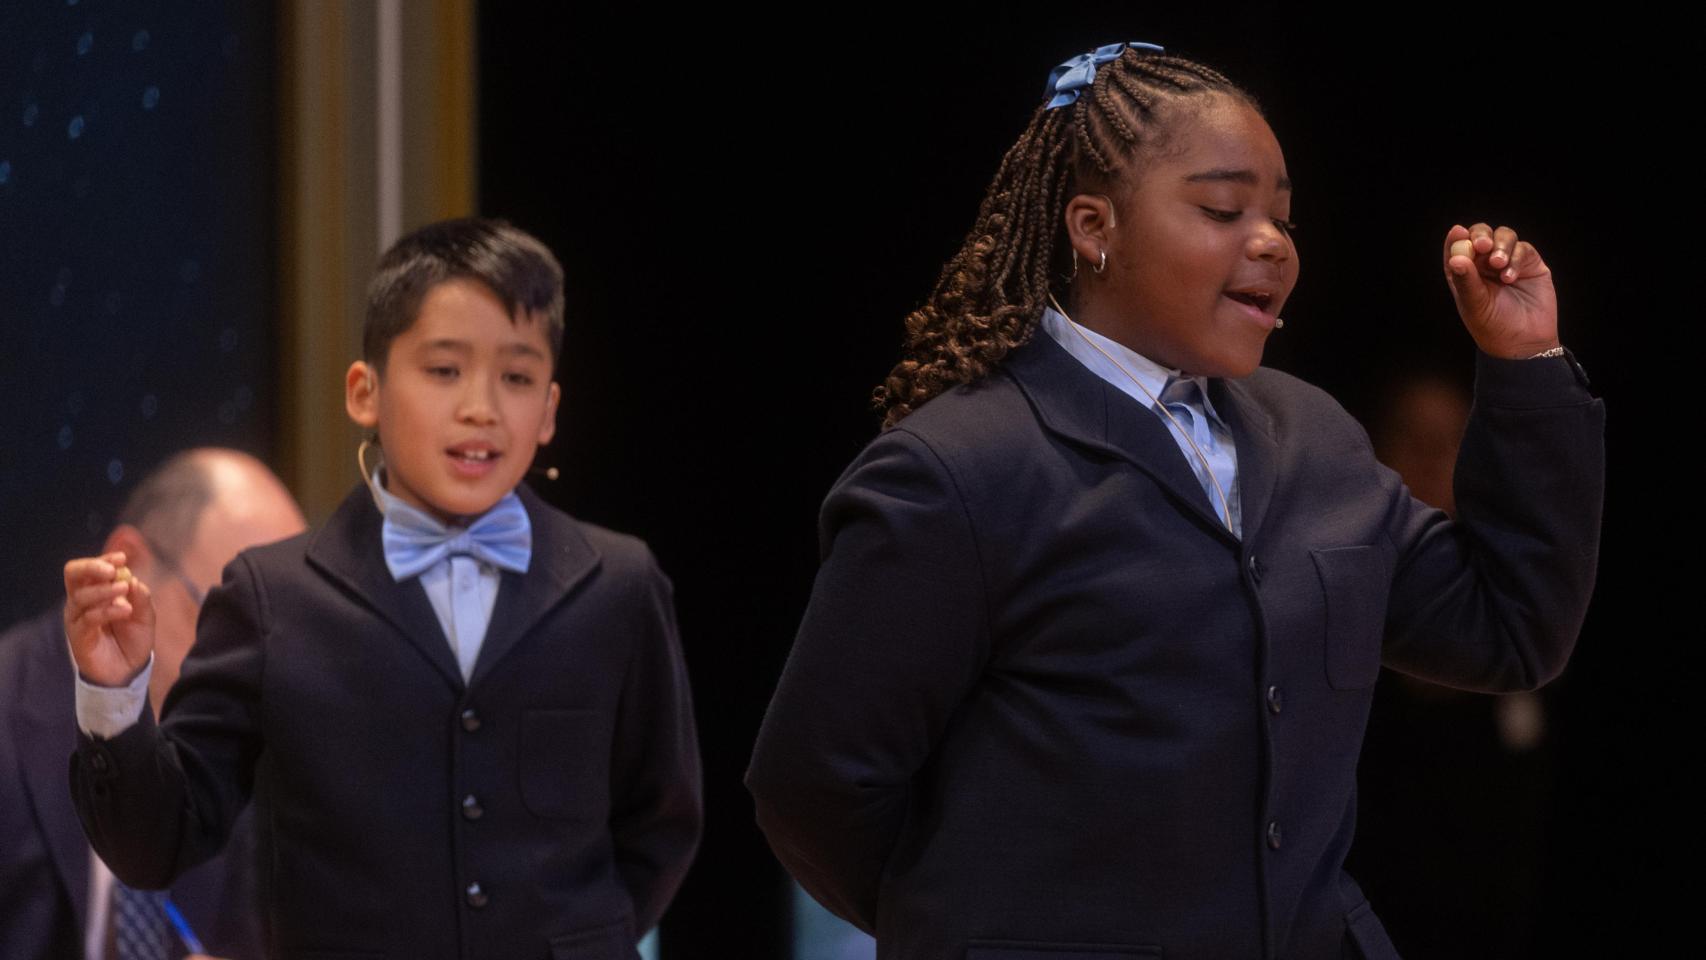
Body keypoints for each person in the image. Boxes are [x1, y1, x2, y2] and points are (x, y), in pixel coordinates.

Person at [745, 42, 1603, 960]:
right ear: (1092, 225)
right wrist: (978, 924)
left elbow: (1510, 627)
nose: (1271, 242)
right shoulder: (958, 467)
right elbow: (815, 789)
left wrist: (1525, 366)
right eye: (1224, 209)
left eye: (1283, 216)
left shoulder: (1314, 435)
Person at [62, 218, 703, 959]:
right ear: (365, 392)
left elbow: (661, 821)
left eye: (517, 377)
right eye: (444, 370)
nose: (481, 408)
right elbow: (160, 841)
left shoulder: (619, 586)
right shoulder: (273, 599)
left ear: (550, 411)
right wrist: (113, 697)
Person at [0, 448, 304, 960]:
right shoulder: (10, 709)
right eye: (230, 621)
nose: (257, 667)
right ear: (128, 568)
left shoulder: (251, 746)